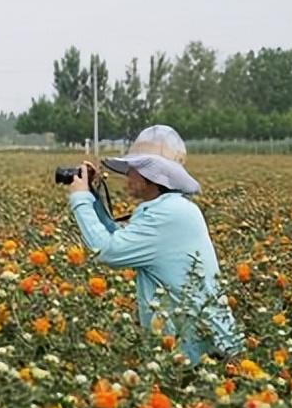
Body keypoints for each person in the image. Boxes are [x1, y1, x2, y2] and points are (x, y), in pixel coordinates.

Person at [66, 125, 243, 364]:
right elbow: (119, 238)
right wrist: (93, 196)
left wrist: (79, 198)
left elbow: (107, 250)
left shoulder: (168, 214)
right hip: (194, 349)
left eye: (134, 168)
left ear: (153, 175)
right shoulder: (170, 208)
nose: (127, 174)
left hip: (204, 354)